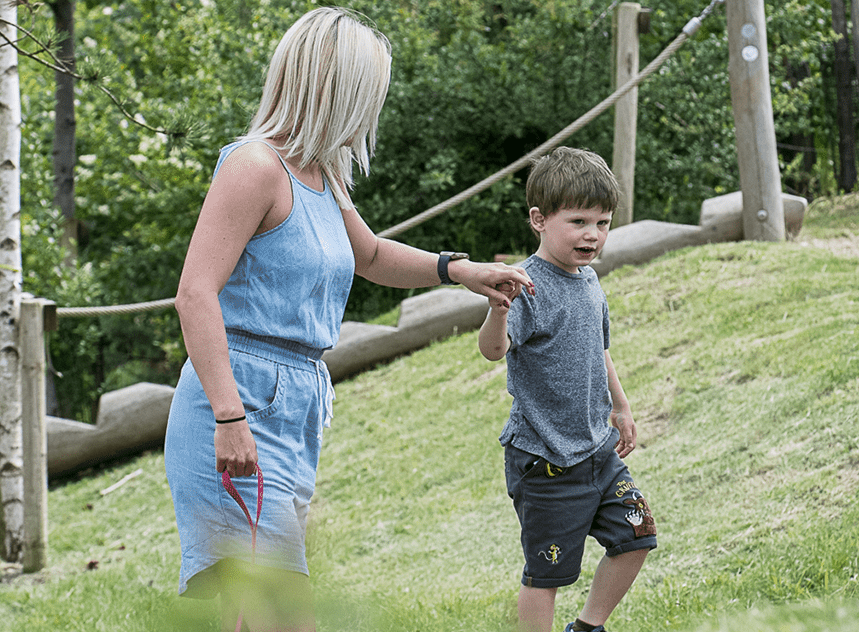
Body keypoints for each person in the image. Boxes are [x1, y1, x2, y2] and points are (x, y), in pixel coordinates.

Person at [164, 7, 535, 630]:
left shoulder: (324, 174)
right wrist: (229, 416)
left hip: (295, 404)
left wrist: (461, 271)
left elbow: (370, 256)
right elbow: (195, 294)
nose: (374, 109)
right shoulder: (254, 166)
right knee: (285, 614)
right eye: (370, 93)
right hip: (236, 402)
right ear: (337, 87)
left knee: (252, 614)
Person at [476, 147, 656, 632]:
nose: (592, 234)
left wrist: (621, 406)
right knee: (546, 575)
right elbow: (495, 350)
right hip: (546, 459)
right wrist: (497, 309)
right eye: (579, 221)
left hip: (598, 449)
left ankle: (588, 627)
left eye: (603, 222)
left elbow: (599, 349)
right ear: (539, 219)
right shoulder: (525, 286)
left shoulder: (590, 280)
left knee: (637, 535)